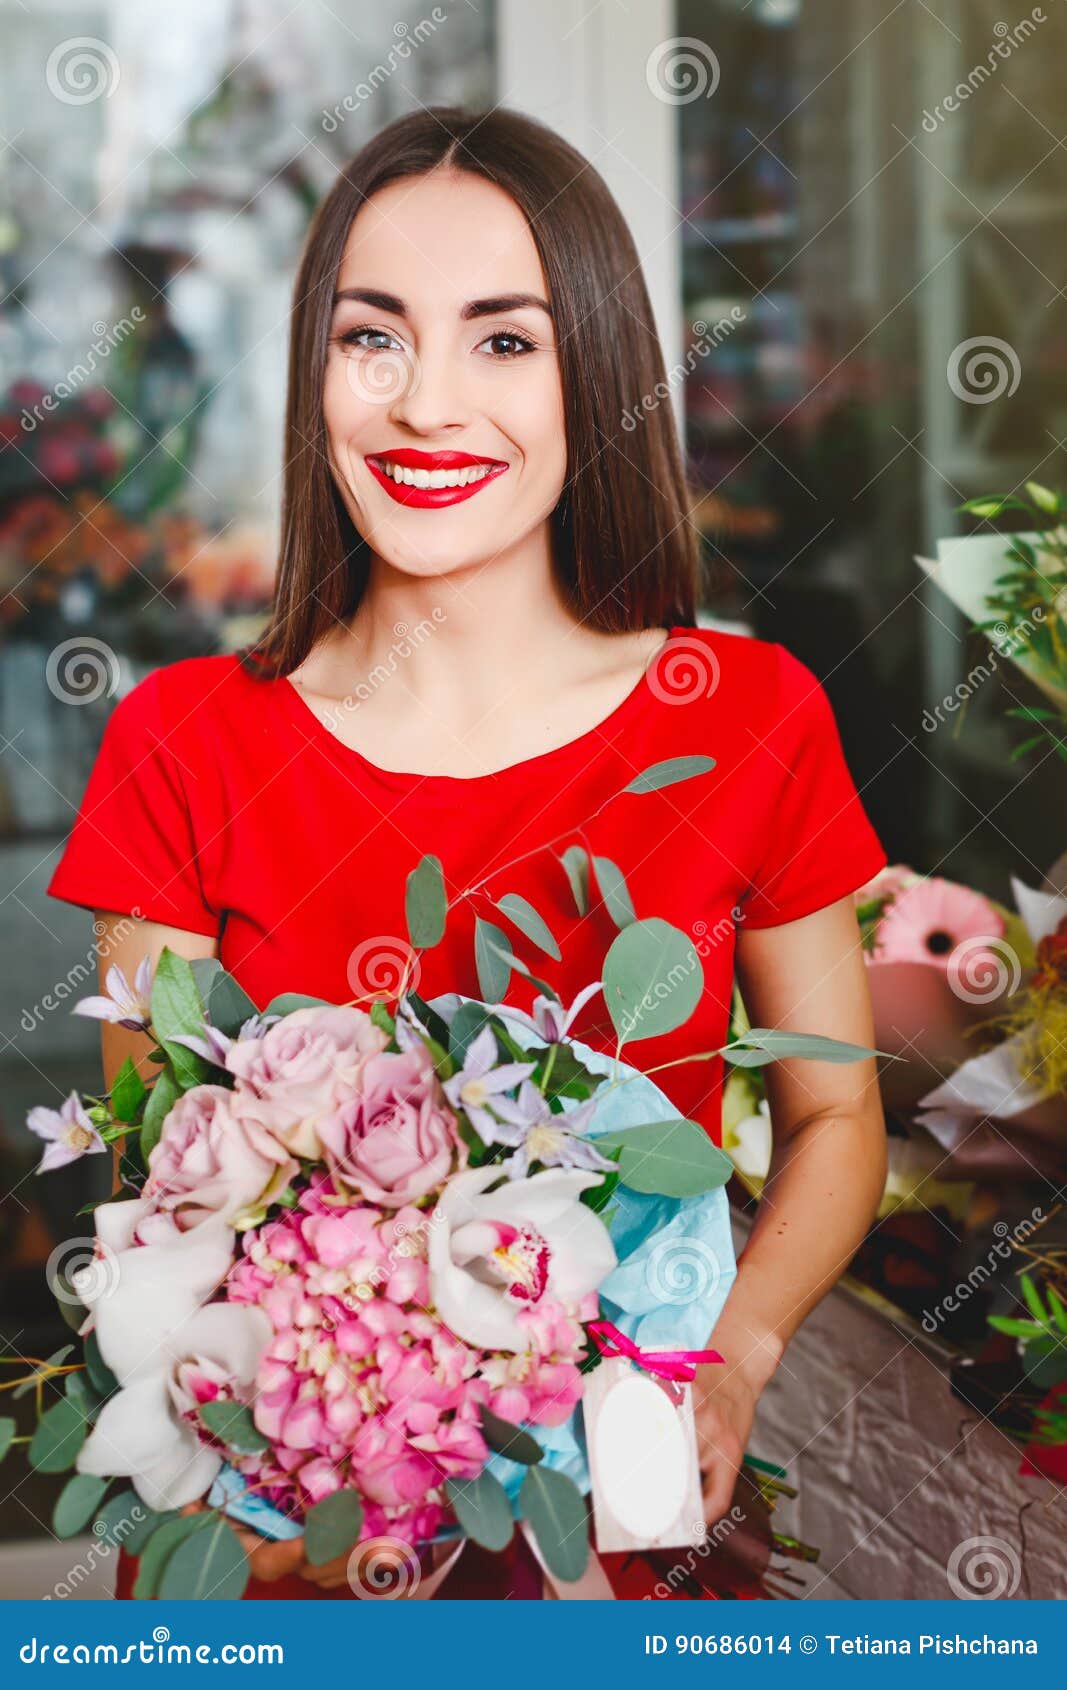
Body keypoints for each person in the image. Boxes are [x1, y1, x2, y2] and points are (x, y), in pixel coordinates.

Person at [47, 105, 888, 1599]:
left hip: (614, 1535)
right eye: (374, 337)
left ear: (601, 376)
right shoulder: (183, 741)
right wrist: (229, 1424)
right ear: (317, 373)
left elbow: (835, 1116)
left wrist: (738, 1352)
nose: (427, 402)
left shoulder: (751, 716)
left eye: (506, 341)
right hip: (284, 1546)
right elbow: (162, 1178)